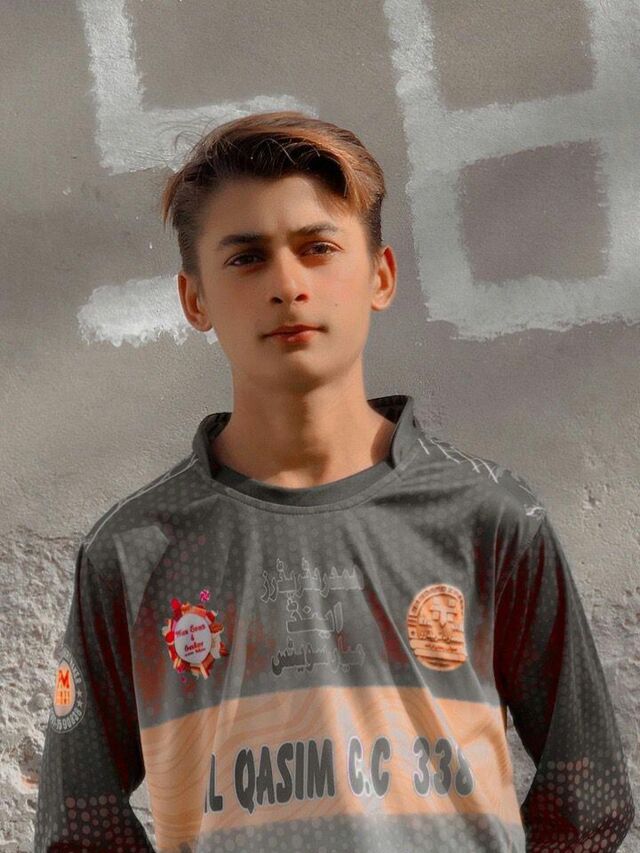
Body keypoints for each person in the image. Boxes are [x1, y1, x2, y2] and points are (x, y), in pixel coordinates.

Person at [34, 111, 635, 852]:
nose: (288, 285)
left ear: (380, 276)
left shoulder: (488, 516)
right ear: (195, 300)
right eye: (247, 258)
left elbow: (589, 793)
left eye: (318, 248)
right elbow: (78, 826)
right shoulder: (135, 551)